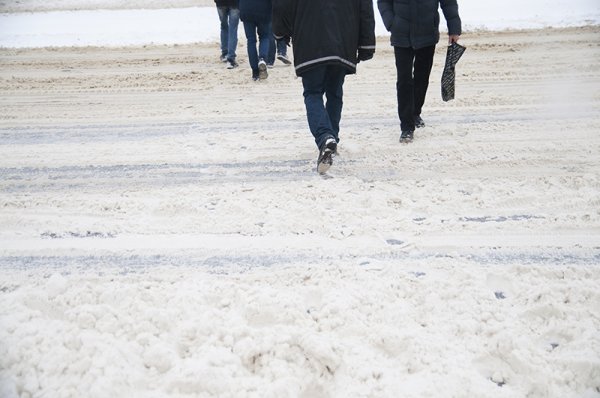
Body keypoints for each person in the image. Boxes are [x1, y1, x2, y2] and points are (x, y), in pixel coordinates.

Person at [272, 0, 376, 174]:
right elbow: (365, 8)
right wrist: (366, 44)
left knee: (313, 93)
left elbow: (281, 4)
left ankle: (325, 137)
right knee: (335, 93)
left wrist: (280, 31)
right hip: (343, 40)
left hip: (308, 40)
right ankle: (331, 138)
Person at [377, 0, 461, 143]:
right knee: (404, 80)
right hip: (401, 32)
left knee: (422, 77)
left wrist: (454, 27)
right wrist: (391, 22)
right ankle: (406, 127)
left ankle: (415, 112)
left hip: (427, 31)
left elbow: (448, 2)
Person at [239, 0, 273, 81]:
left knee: (251, 40)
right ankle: (262, 58)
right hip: (264, 9)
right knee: (264, 37)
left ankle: (255, 72)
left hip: (246, 8)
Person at [214, 0, 240, 69]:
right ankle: (231, 58)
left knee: (224, 26)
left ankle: (225, 53)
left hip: (220, 3)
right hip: (235, 3)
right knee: (233, 29)